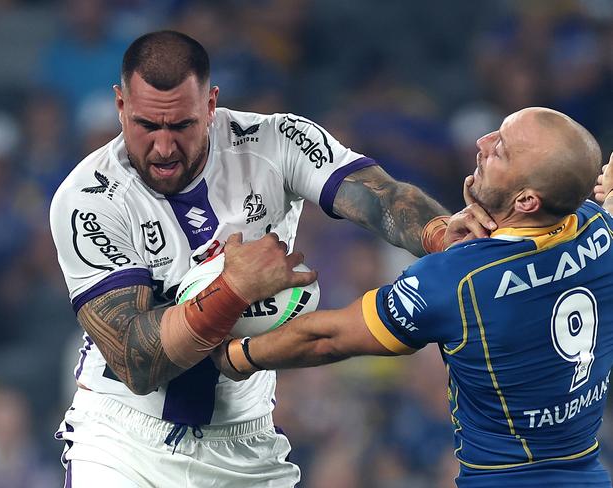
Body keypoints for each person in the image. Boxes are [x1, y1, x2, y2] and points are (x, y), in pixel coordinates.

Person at [49, 30, 491, 487]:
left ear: (211, 104)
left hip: (246, 439)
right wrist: (233, 290)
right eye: (146, 125)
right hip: (125, 442)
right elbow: (135, 361)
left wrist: (440, 234)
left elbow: (381, 197)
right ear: (120, 106)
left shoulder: (276, 141)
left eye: (181, 126)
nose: (163, 147)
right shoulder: (89, 200)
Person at [214, 107, 613, 487]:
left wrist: (235, 356)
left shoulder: (457, 280)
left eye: (500, 150)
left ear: (527, 202)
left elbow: (327, 338)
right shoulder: (600, 230)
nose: (482, 141)